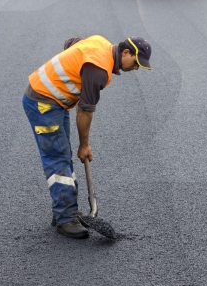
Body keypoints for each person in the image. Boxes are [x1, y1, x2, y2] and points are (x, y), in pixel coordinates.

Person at [22, 35, 152, 239]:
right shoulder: (98, 70)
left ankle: (66, 210)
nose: (135, 68)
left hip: (54, 102)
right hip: (43, 103)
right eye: (136, 63)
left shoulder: (101, 43)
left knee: (63, 154)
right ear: (126, 52)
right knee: (57, 157)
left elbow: (71, 43)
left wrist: (69, 68)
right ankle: (65, 218)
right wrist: (85, 145)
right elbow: (84, 111)